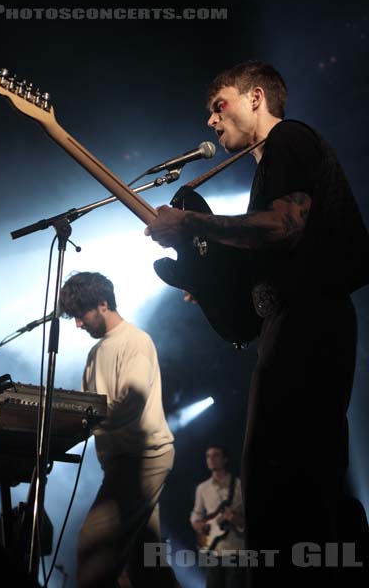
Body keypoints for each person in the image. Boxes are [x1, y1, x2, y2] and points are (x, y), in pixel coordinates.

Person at [145, 61, 369, 586]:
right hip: (293, 328)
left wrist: (192, 221)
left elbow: (287, 225)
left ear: (256, 97)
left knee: (287, 486)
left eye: (217, 104)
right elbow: (263, 261)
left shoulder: (290, 140)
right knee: (288, 486)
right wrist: (209, 285)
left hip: (310, 326)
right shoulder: (270, 167)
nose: (210, 120)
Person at [59, 271, 179, 588]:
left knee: (93, 543)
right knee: (147, 566)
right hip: (119, 462)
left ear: (102, 304)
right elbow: (90, 409)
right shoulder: (95, 353)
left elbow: (131, 403)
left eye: (80, 315)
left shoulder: (135, 342)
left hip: (144, 458)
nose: (78, 324)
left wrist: (85, 421)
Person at [190, 445, 245, 588]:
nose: (211, 459)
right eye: (208, 456)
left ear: (225, 459)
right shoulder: (202, 488)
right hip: (212, 551)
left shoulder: (239, 486)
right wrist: (199, 525)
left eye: (216, 455)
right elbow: (196, 514)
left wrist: (235, 519)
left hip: (235, 551)